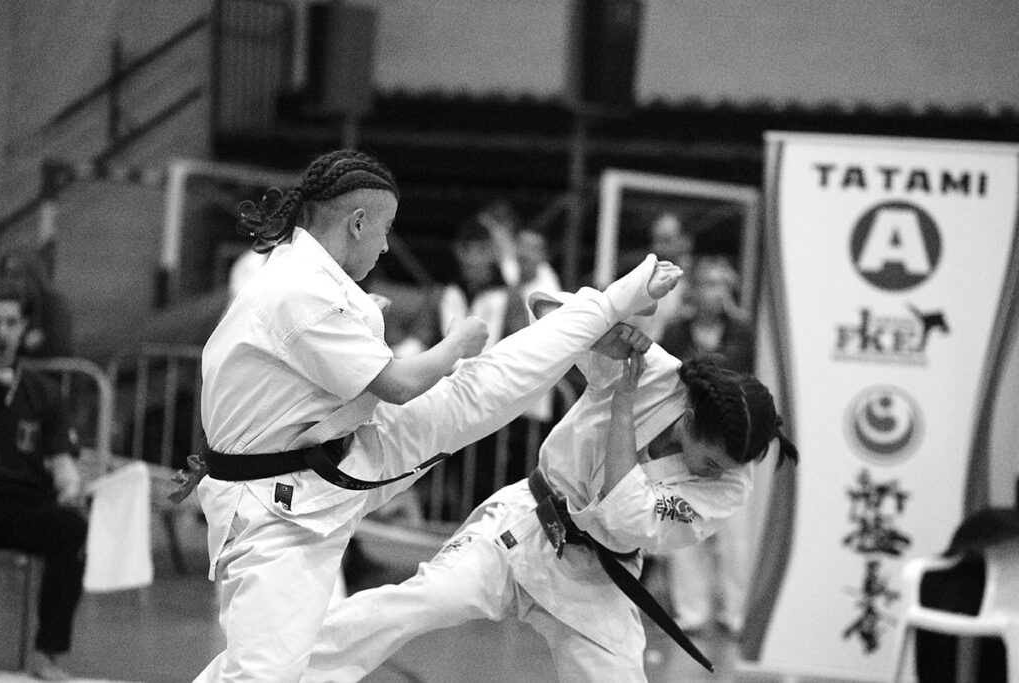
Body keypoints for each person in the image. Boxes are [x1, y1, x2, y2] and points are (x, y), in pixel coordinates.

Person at [190, 147, 684, 682]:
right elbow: (400, 384)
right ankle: (606, 305)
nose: (385, 245)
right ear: (357, 223)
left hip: (334, 457)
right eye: (385, 230)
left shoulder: (308, 274)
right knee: (263, 675)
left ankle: (607, 303)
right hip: (278, 505)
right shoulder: (300, 291)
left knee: (478, 393)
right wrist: (456, 344)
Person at [305, 293, 798, 683]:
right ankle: (286, 668)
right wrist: (604, 329)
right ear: (689, 418)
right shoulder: (653, 371)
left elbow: (627, 517)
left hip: (600, 576)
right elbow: (549, 311)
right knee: (423, 602)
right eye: (709, 461)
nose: (715, 474)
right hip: (524, 526)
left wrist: (622, 406)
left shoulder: (730, 484)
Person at [658, 254, 755, 634]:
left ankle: (736, 613)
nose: (715, 292)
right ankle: (691, 611)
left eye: (722, 284)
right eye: (708, 283)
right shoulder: (675, 331)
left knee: (734, 535)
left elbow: (744, 381)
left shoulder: (742, 331)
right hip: (684, 439)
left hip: (733, 443)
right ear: (694, 289)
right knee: (684, 525)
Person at [0, 282, 86, 681]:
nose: (1, 333)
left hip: (24, 504)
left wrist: (71, 486)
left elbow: (63, 463)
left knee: (71, 530)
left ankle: (46, 654)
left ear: (23, 329)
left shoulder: (43, 393)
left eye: (10, 323)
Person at [0, 248, 74, 358]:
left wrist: (24, 345)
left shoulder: (53, 304)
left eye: (16, 275)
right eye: (5, 274)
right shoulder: (3, 301)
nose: (9, 281)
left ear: (32, 275)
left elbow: (60, 347)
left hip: (44, 366)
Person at [635, 211, 696, 343]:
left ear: (686, 241)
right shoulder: (642, 282)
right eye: (655, 240)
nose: (658, 248)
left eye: (666, 240)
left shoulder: (700, 282)